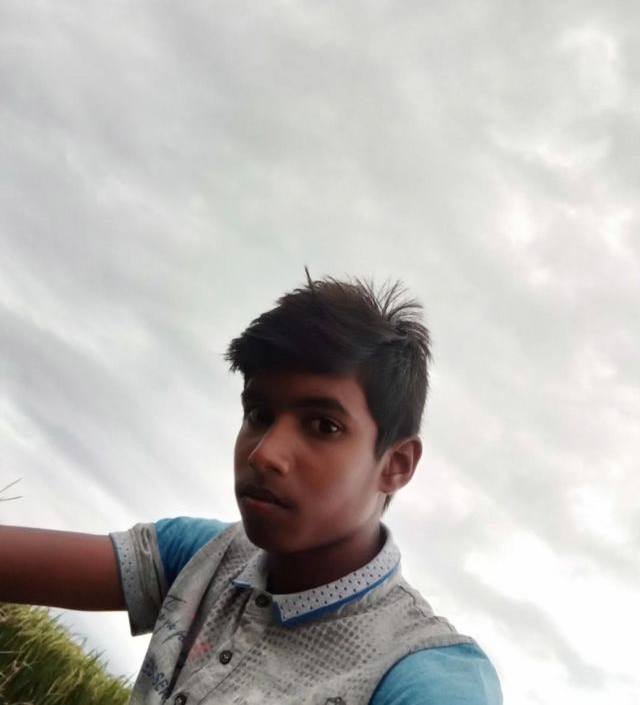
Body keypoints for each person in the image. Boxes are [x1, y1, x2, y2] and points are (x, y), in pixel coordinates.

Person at [0, 275, 502, 704]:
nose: (265, 454)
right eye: (259, 413)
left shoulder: (420, 672)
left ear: (395, 464)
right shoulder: (203, 557)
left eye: (323, 426)